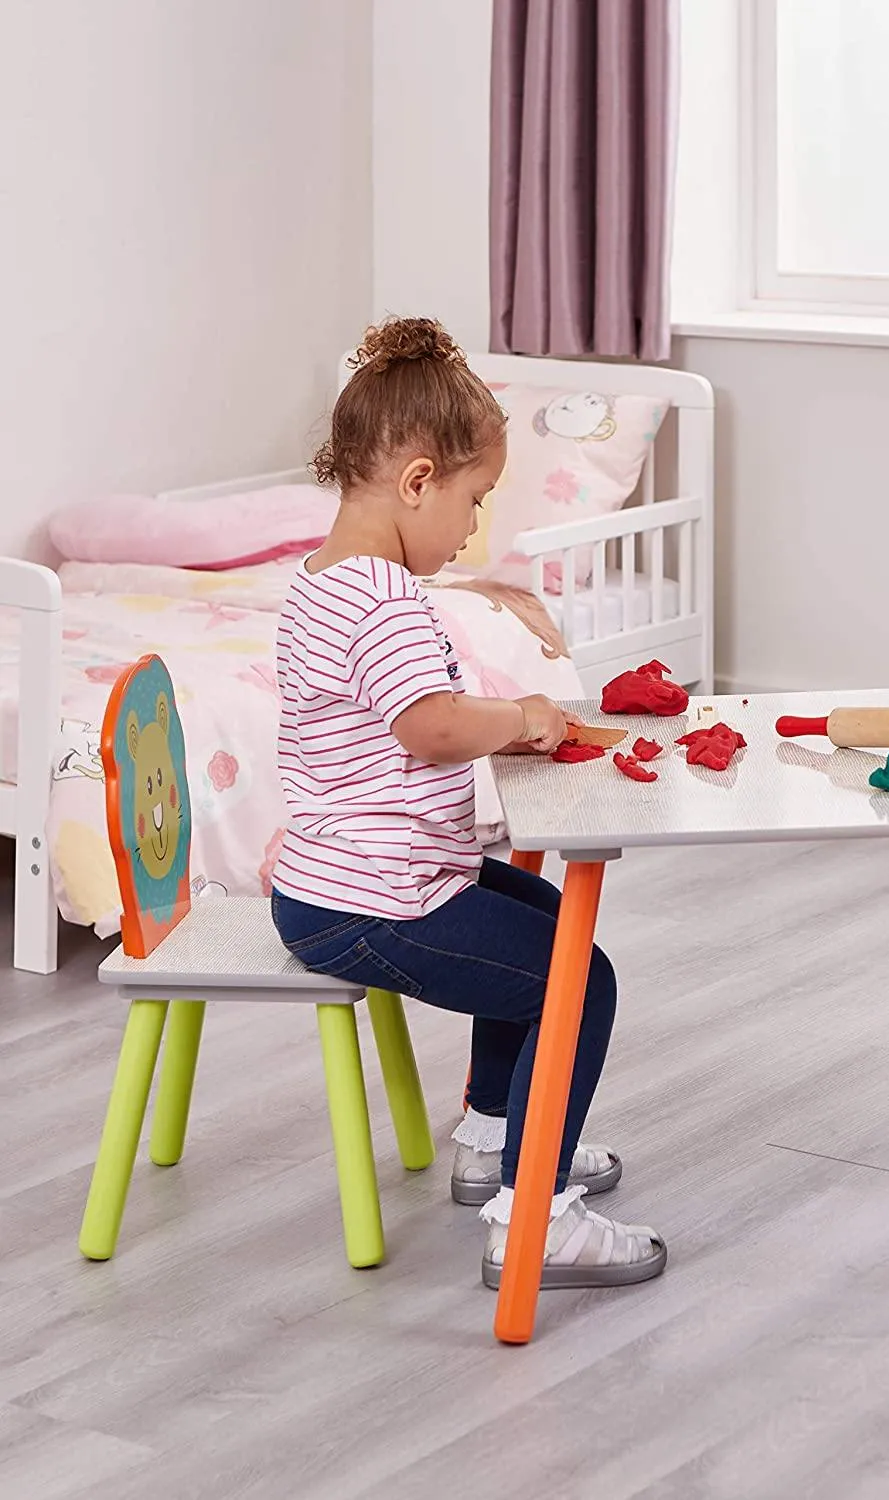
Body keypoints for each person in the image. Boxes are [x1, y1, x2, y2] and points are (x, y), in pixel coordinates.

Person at [270, 316, 666, 1289]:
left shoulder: (318, 584)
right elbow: (430, 726)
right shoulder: (387, 601)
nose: (473, 531)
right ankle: (537, 1218)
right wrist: (522, 716)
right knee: (580, 980)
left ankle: (494, 1140)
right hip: (378, 898)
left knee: (551, 931)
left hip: (329, 882)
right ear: (416, 481)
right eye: (474, 501)